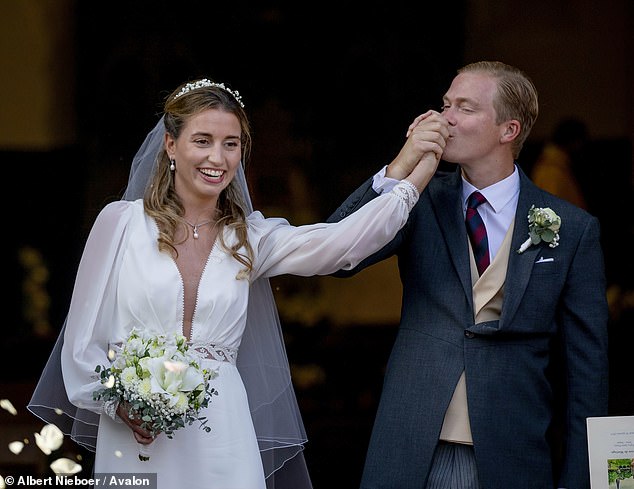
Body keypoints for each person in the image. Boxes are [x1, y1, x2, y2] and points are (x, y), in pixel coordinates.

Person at [27, 78, 445, 489]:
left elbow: (339, 244)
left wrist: (412, 173)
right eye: (203, 140)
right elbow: (81, 346)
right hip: (135, 434)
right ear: (171, 145)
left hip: (222, 432)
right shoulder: (119, 224)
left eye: (231, 144)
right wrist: (119, 403)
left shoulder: (249, 237)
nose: (218, 157)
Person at [328, 61, 609, 488]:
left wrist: (584, 479)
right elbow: (337, 254)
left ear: (508, 130)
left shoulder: (573, 229)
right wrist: (399, 168)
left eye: (465, 107)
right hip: (410, 445)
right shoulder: (416, 200)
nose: (445, 119)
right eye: (445, 105)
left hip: (513, 452)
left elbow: (586, 371)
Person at [530, 117, 589, 209]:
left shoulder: (558, 165)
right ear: (574, 141)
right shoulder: (551, 170)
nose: (581, 147)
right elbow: (550, 212)